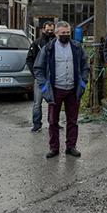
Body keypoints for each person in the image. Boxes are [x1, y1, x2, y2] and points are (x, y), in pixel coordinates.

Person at [33, 21, 89, 159]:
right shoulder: (48, 48)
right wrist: (45, 87)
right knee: (53, 121)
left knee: (73, 121)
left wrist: (82, 84)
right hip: (55, 90)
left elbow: (85, 66)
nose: (66, 35)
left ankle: (71, 146)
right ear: (56, 33)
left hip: (72, 90)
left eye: (68, 33)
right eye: (63, 33)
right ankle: (54, 148)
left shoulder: (77, 47)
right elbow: (38, 69)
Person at [26, 21, 55, 132]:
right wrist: (35, 74)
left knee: (53, 103)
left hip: (52, 78)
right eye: (47, 30)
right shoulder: (36, 43)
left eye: (51, 30)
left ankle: (53, 123)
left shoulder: (57, 43)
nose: (49, 32)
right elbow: (29, 59)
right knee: (37, 103)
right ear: (43, 29)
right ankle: (37, 124)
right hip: (39, 78)